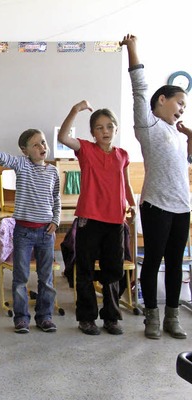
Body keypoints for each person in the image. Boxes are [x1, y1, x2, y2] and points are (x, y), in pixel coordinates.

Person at [121, 34, 191, 339]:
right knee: (152, 261)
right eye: (180, 102)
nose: (182, 109)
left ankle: (171, 317)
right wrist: (132, 49)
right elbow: (140, 89)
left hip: (182, 206)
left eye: (186, 106)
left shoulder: (177, 133)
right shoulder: (148, 125)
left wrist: (189, 136)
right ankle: (151, 316)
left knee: (175, 264)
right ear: (162, 99)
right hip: (156, 205)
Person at [0, 130, 61, 333]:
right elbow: (2, 157)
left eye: (43, 143)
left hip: (46, 233)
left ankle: (45, 317)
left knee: (46, 278)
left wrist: (55, 220)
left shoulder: (53, 171)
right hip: (24, 233)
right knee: (21, 278)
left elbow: (56, 199)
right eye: (36, 145)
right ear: (25, 151)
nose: (42, 147)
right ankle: (21, 318)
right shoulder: (22, 165)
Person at [58, 100, 135, 336]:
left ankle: (111, 317)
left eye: (110, 126)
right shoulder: (86, 150)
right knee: (85, 270)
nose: (105, 131)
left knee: (114, 271)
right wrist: (74, 111)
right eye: (100, 127)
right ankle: (86, 318)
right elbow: (63, 137)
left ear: (116, 129)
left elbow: (126, 183)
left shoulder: (122, 155)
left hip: (115, 222)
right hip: (89, 220)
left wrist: (132, 206)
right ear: (92, 132)